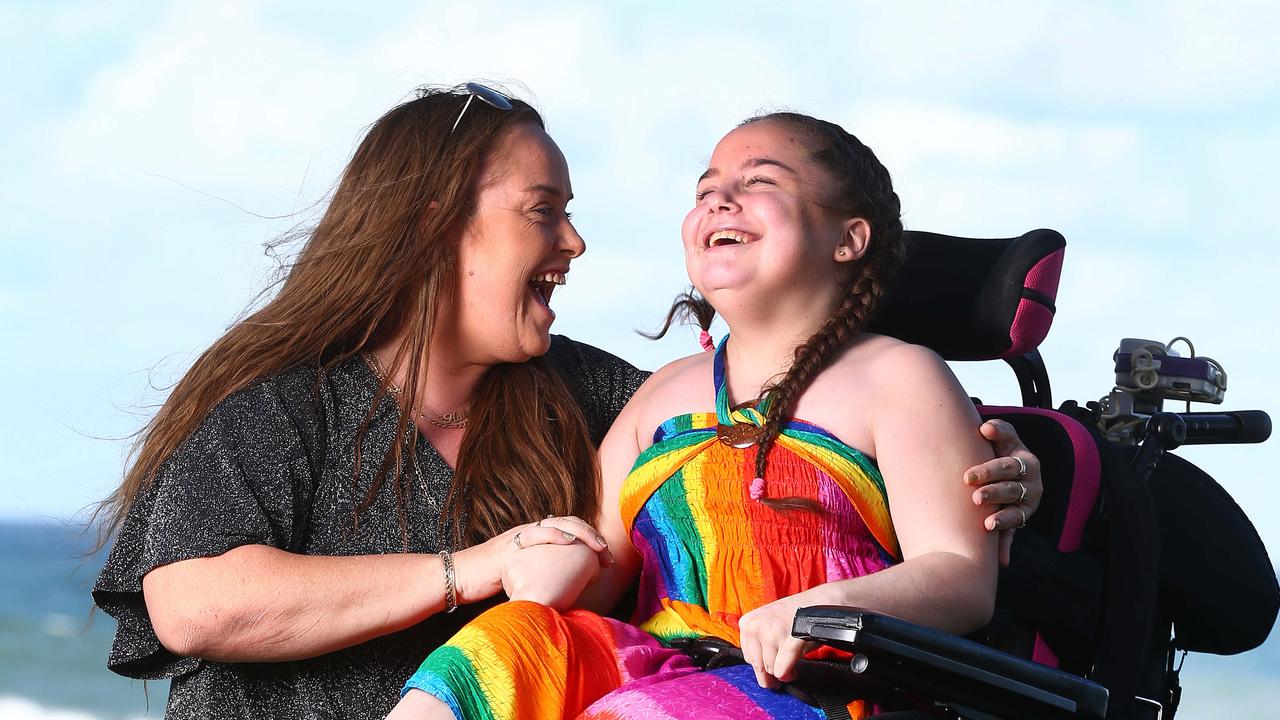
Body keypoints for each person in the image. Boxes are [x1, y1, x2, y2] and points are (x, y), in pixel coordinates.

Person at [91, 85, 1041, 720]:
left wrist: (1001, 464)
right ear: (436, 228)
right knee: (515, 640)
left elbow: (768, 434)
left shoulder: (596, 393)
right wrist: (482, 571)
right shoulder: (283, 410)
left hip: (721, 687)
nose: (577, 242)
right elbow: (192, 605)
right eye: (544, 211)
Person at [392, 111, 1009, 720]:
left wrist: (825, 607)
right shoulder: (661, 393)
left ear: (848, 238)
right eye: (706, 191)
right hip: (661, 666)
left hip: (816, 683)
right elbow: (600, 572)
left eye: (759, 181)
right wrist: (557, 562)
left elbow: (960, 576)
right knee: (503, 642)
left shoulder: (899, 379)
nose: (720, 200)